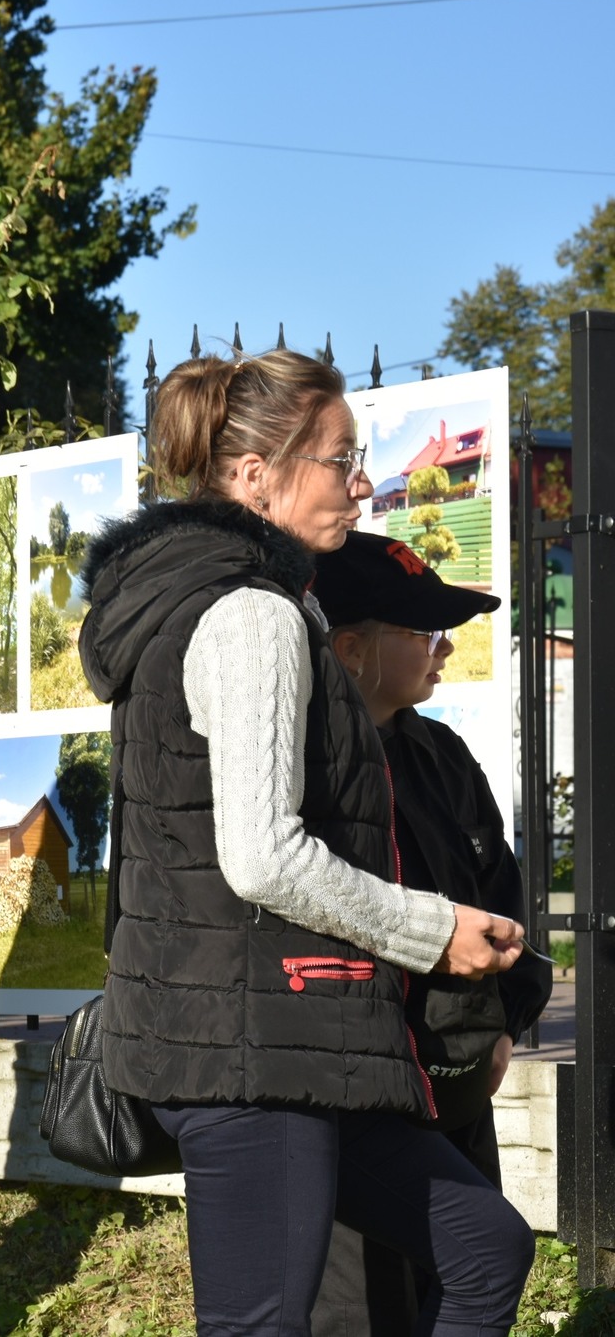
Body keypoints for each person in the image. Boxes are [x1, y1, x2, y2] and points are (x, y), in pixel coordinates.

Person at [76, 348, 533, 1337]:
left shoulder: (226, 598)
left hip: (291, 1036)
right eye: (341, 459)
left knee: (485, 1246)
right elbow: (262, 855)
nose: (362, 484)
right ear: (256, 476)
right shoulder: (251, 612)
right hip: (252, 1054)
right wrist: (434, 931)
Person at [307, 531, 552, 1336]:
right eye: (422, 629)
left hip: (457, 1081)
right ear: (350, 648)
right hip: (358, 1097)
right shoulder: (308, 767)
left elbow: (501, 893)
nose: (445, 646)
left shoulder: (440, 752)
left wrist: (505, 1026)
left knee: (471, 1277)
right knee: (363, 1312)